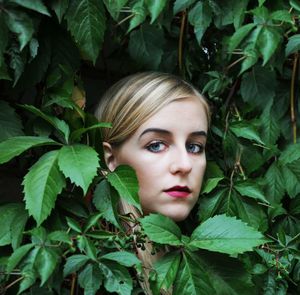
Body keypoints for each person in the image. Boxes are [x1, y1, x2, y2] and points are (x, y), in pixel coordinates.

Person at [95, 71, 210, 294]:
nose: (184, 165)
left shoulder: (201, 265)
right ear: (111, 159)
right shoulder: (97, 271)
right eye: (156, 145)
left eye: (194, 146)